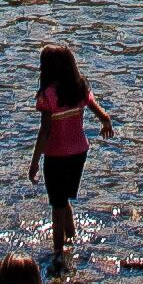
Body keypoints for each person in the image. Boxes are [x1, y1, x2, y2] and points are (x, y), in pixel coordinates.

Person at [30, 41, 113, 265]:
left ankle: (58, 253)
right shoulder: (80, 88)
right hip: (79, 153)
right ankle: (72, 238)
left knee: (57, 204)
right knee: (63, 197)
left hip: (56, 155)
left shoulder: (47, 96)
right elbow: (100, 112)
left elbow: (45, 131)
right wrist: (106, 122)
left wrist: (34, 161)